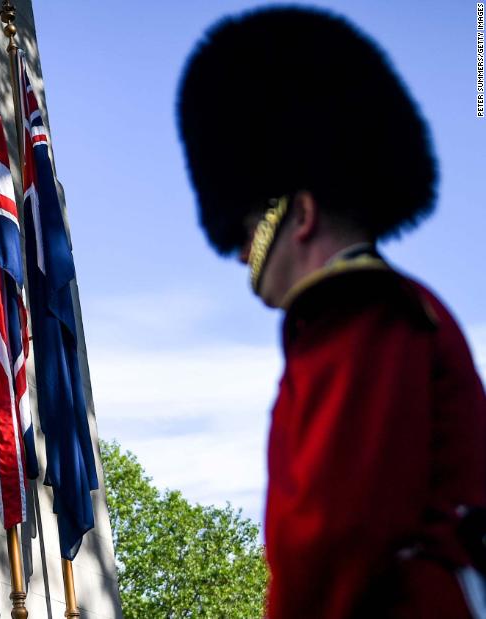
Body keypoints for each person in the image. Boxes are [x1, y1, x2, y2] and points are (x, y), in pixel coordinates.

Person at [176, 7, 486, 618]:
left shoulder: (353, 309)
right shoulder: (406, 306)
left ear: (303, 213)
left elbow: (334, 534)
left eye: (245, 226)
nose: (237, 252)